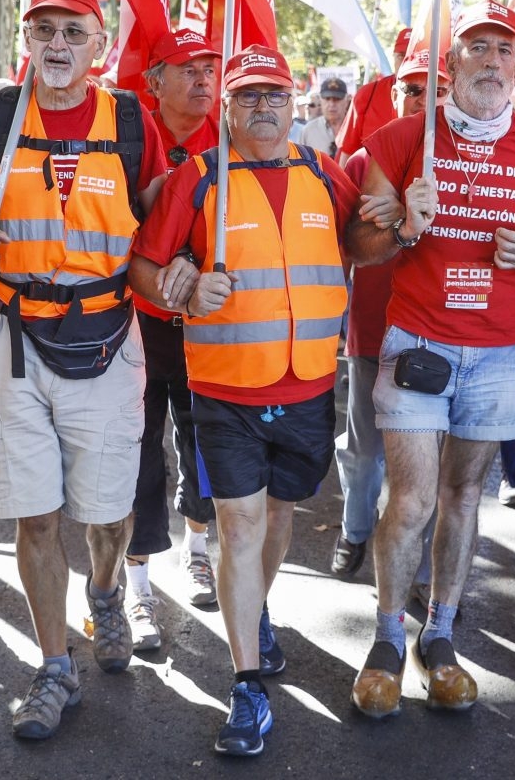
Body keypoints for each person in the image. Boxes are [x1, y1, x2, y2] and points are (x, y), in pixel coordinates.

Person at [0, 0, 168, 740]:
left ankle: (104, 587)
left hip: (105, 336)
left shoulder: (131, 122)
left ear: (98, 45)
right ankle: (55, 665)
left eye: (72, 31)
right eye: (42, 30)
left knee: (106, 512)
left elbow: (164, 230)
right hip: (12, 339)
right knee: (35, 512)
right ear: (25, 41)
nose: (56, 44)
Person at [129, 44, 361, 756]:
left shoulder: (324, 172)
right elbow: (141, 265)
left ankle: (255, 611)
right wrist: (186, 283)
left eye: (275, 94)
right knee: (238, 524)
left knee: (280, 517)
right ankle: (246, 685)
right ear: (225, 108)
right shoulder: (198, 178)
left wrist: (400, 219)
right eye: (248, 96)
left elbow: (367, 241)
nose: (264, 106)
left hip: (309, 387)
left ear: (295, 104)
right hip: (224, 389)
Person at [346, 0, 515, 719]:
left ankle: (439, 636)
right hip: (419, 344)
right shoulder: (403, 136)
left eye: (506, 50)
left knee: (463, 496)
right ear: (452, 63)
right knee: (409, 498)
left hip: (503, 352)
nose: (494, 62)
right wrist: (405, 225)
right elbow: (360, 247)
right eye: (479, 47)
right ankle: (385, 639)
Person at [332, 48, 446, 579]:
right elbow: (346, 247)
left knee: (430, 464)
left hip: (439, 336)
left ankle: (421, 568)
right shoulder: (362, 162)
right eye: (412, 89)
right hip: (372, 331)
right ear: (394, 94)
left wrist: (406, 212)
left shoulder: (467, 163)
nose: (422, 100)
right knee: (365, 448)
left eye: (435, 89)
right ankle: (355, 530)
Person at [125, 28, 223, 651]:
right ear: (154, 80)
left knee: (202, 444)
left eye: (210, 67)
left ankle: (198, 550)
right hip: (131, 321)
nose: (203, 79)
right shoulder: (130, 135)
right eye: (186, 68)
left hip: (206, 329)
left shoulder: (235, 138)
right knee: (136, 454)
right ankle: (136, 588)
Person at [338, 27, 412, 165]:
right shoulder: (367, 94)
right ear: (393, 57)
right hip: (368, 185)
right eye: (401, 56)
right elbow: (346, 154)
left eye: (413, 55)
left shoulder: (439, 96)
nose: (406, 62)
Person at [302, 77, 350, 156]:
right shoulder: (309, 130)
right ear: (320, 100)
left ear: (347, 100)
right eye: (327, 99)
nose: (331, 104)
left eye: (337, 99)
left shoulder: (356, 128)